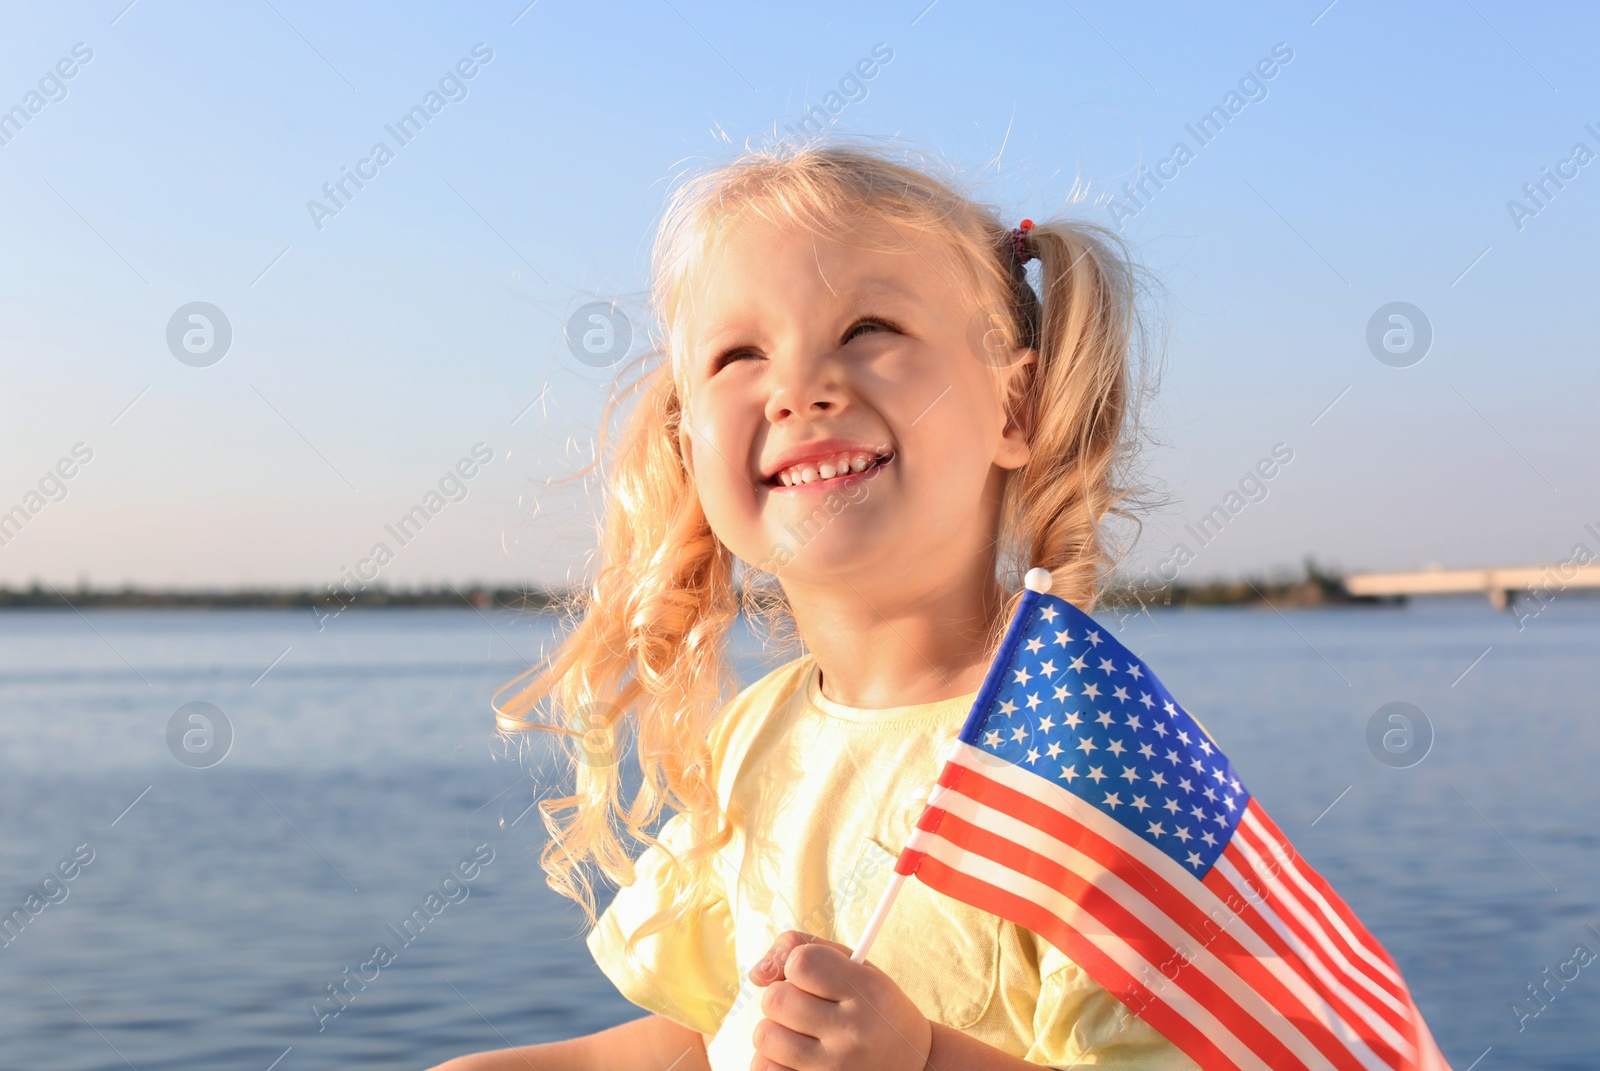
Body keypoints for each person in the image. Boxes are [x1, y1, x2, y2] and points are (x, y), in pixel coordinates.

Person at [429, 138, 1193, 1070]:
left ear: (1013, 407)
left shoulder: (1089, 749)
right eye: (739, 353)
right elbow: (715, 1039)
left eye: (868, 329)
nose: (798, 388)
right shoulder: (758, 736)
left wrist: (920, 1058)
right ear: (688, 439)